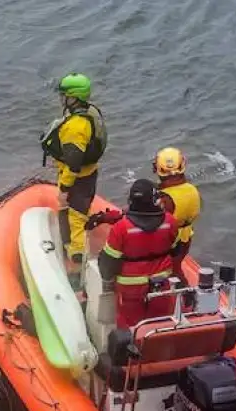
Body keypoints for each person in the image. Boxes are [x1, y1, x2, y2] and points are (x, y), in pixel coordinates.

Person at [40, 72, 108, 287]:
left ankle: (77, 269)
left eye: (64, 95)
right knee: (73, 214)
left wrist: (65, 187)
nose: (61, 99)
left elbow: (73, 163)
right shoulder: (91, 112)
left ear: (74, 97)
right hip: (89, 174)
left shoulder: (76, 127)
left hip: (78, 180)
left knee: (76, 220)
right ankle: (70, 245)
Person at [96, 179, 181, 329]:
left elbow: (107, 263)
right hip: (161, 284)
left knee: (129, 326)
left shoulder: (121, 228)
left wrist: (108, 284)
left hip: (130, 289)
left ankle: (131, 350)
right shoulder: (170, 222)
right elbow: (176, 251)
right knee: (159, 325)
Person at [152, 147, 201, 305]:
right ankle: (187, 298)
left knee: (170, 270)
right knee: (176, 267)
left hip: (171, 239)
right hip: (187, 235)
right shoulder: (192, 190)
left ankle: (182, 299)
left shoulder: (164, 199)